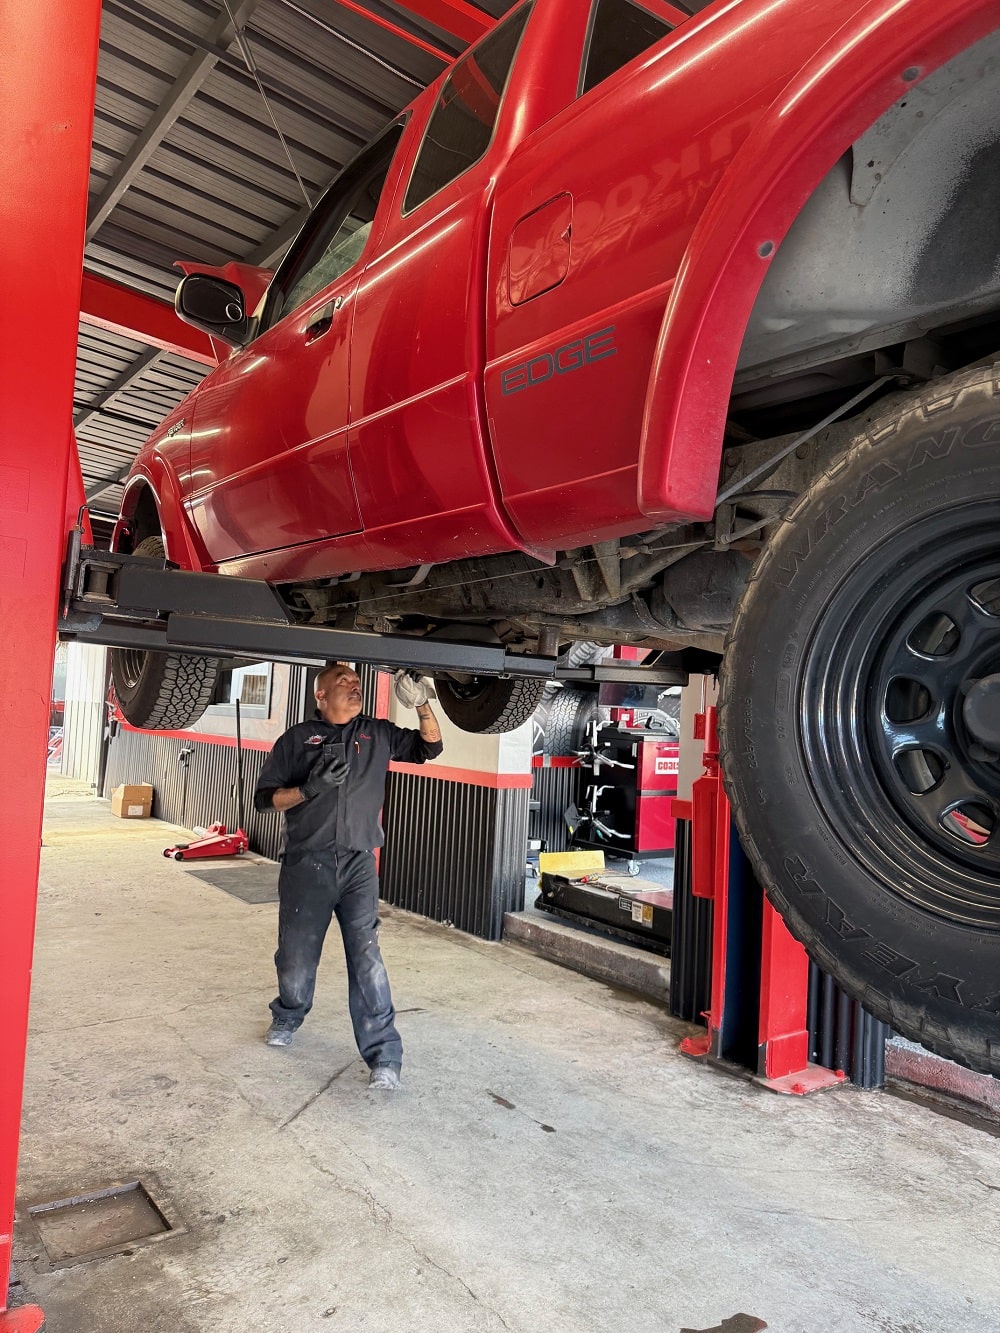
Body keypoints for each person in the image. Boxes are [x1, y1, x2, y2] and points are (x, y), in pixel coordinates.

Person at [253, 663, 443, 1090]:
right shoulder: (297, 740)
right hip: (308, 864)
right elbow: (265, 801)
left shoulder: (376, 734)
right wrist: (309, 789)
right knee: (296, 958)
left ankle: (384, 1056)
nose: (354, 687)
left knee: (367, 958)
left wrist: (423, 704)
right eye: (344, 683)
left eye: (357, 683)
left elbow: (430, 748)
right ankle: (289, 1012)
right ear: (320, 695)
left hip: (359, 865)